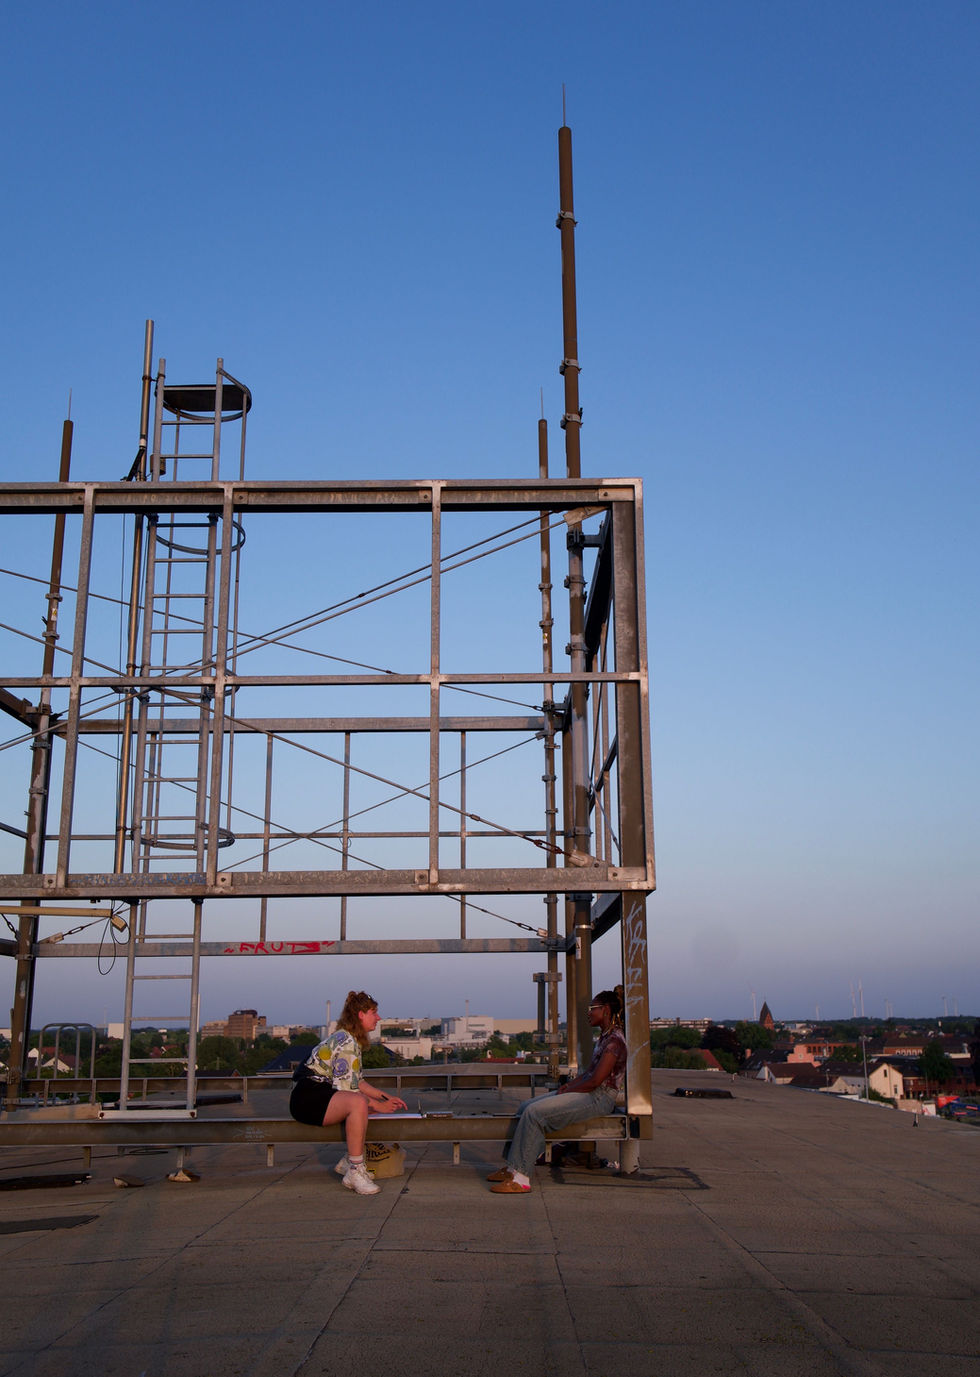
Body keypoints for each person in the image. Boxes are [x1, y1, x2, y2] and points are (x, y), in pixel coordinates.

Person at [488, 987, 628, 1194]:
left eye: (593, 1008)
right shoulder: (605, 1038)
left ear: (606, 1010)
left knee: (535, 1115)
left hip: (599, 1098)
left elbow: (596, 1081)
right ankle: (512, 1168)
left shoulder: (615, 1041)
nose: (589, 1013)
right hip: (589, 1092)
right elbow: (590, 1073)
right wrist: (569, 1086)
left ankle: (522, 1178)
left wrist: (571, 1090)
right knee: (525, 1107)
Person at [289, 989, 407, 1195]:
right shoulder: (347, 1042)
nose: (378, 1018)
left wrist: (383, 1096)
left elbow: (357, 1082)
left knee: (366, 1107)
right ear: (361, 1014)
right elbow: (351, 1093)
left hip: (317, 1094)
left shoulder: (349, 1039)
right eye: (373, 1012)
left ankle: (349, 1160)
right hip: (308, 1098)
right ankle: (355, 1170)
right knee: (359, 1104)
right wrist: (378, 1105)